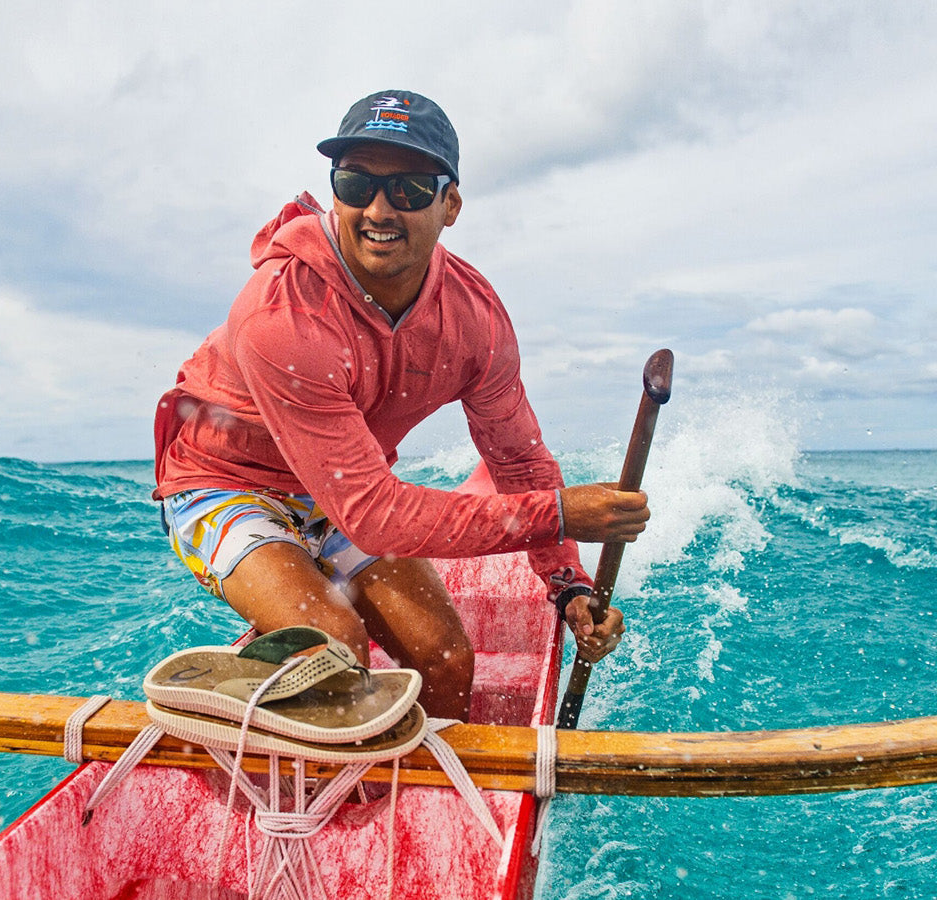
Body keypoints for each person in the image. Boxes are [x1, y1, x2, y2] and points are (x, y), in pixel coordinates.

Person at [151, 90, 649, 720]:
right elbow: (382, 516)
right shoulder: (280, 311)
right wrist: (557, 515)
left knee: (443, 658)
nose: (378, 209)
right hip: (222, 483)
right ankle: (262, 706)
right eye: (356, 183)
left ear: (451, 205)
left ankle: (423, 792)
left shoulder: (476, 320)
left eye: (410, 189)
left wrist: (569, 584)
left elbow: (518, 462)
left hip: (336, 490)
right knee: (335, 647)